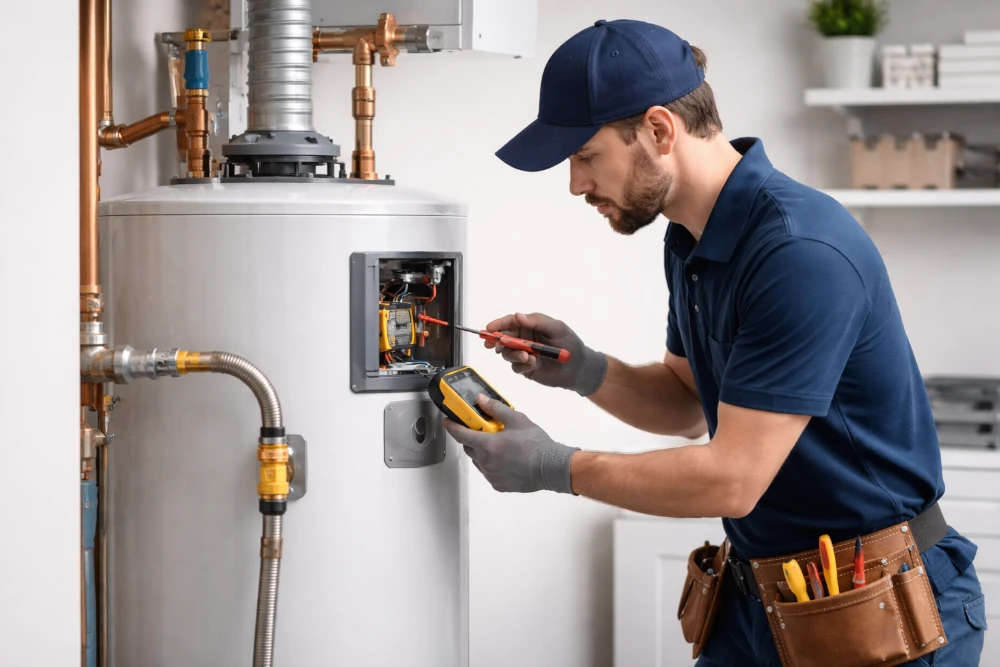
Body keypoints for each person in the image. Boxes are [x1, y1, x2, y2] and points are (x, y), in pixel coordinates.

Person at [442, 18, 987, 667]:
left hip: (878, 609)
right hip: (762, 598)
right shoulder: (692, 240)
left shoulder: (796, 251)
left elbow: (733, 478)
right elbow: (687, 401)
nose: (575, 183)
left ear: (658, 130)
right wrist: (584, 369)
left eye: (585, 156)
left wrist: (554, 466)